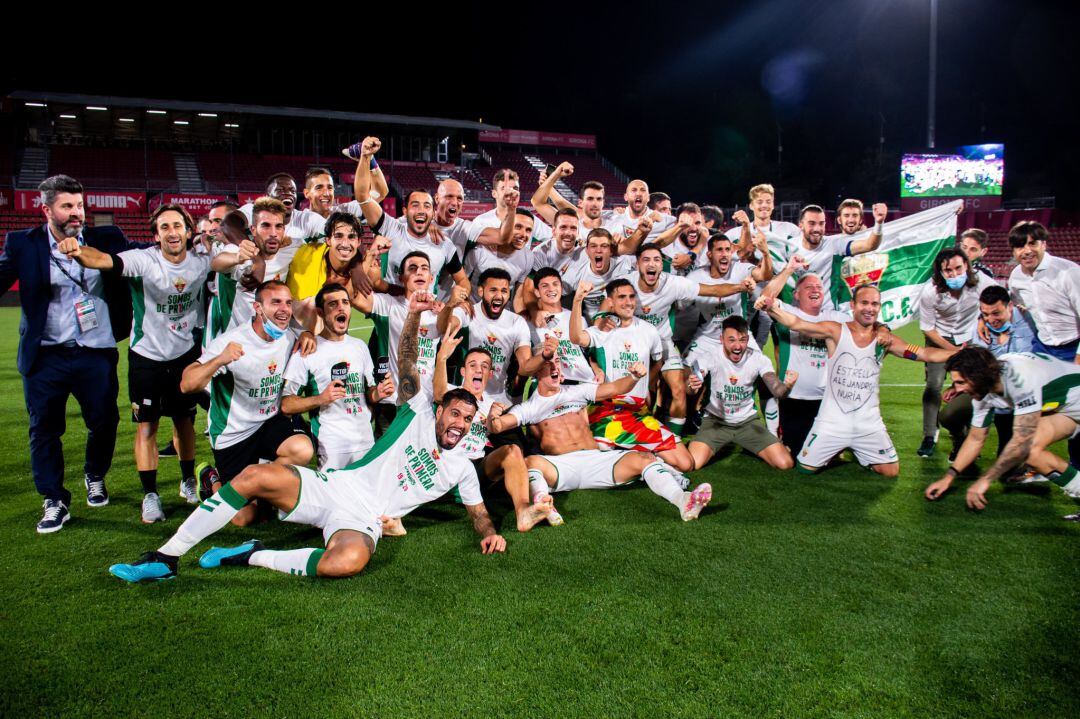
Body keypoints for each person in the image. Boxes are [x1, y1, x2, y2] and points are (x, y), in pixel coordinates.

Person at [108, 291, 505, 583]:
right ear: (439, 410)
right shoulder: (416, 413)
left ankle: (252, 556)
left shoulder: (461, 469)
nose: (460, 423)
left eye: (468, 419)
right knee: (253, 478)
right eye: (454, 413)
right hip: (337, 486)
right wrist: (415, 315)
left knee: (346, 563)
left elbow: (479, 514)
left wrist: (490, 535)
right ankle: (166, 557)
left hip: (365, 518)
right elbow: (405, 361)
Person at [0, 174, 141, 533]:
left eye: (79, 205)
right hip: (45, 354)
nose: (76, 212)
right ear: (46, 209)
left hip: (95, 350)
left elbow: (146, 251)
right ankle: (54, 499)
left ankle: (95, 474)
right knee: (43, 428)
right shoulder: (23, 243)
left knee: (104, 421)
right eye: (67, 206)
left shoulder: (105, 238)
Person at [58, 203, 212, 522]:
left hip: (186, 355)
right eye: (165, 227)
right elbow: (103, 260)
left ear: (188, 230)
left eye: (177, 226)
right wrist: (76, 250)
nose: (172, 232)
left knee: (185, 422)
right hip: (147, 357)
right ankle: (150, 495)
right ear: (155, 235)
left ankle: (187, 482)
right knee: (147, 427)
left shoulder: (202, 259)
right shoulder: (143, 260)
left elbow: (226, 260)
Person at [757, 284, 955, 476]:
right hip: (832, 421)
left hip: (868, 424)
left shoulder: (884, 340)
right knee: (805, 468)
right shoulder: (835, 330)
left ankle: (858, 451)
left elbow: (923, 353)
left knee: (890, 471)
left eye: (875, 304)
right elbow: (797, 324)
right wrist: (771, 308)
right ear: (853, 305)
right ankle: (839, 447)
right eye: (864, 303)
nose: (869, 308)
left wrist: (956, 353)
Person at [489, 360, 713, 521]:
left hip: (596, 460)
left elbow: (615, 388)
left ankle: (683, 501)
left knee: (644, 458)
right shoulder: (530, 407)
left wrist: (634, 376)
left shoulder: (578, 391)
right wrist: (493, 416)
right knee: (529, 463)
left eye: (557, 363)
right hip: (561, 467)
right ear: (538, 372)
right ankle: (543, 505)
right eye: (549, 365)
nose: (556, 368)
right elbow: (498, 426)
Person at [180, 280, 315, 524]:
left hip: (269, 421)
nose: (284, 309)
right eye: (275, 302)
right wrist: (219, 360)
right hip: (234, 432)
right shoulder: (231, 343)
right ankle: (212, 478)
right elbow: (187, 384)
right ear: (257, 308)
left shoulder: (289, 337)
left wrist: (307, 333)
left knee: (302, 449)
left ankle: (262, 480)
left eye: (287, 302)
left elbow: (304, 332)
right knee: (243, 517)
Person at [616, 243, 752, 439]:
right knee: (643, 394)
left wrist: (740, 286)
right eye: (646, 260)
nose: (651, 264)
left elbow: (713, 290)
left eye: (656, 260)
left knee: (679, 389)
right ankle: (637, 435)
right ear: (637, 264)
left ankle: (672, 441)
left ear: (662, 265)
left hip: (663, 345)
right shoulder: (625, 284)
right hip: (634, 347)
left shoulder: (673, 283)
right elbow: (607, 305)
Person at [926, 348, 1080, 517]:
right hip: (1068, 410)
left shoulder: (1020, 379)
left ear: (977, 376)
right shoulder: (983, 391)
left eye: (961, 382)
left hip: (1072, 405)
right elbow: (976, 439)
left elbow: (1021, 441)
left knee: (1025, 446)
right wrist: (948, 477)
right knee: (1031, 451)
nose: (958, 389)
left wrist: (985, 480)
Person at [569, 278, 696, 473]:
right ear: (610, 301)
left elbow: (657, 361)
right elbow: (576, 337)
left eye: (631, 296)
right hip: (606, 412)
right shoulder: (602, 330)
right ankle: (640, 460)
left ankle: (639, 460)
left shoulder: (649, 331)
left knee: (685, 463)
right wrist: (577, 300)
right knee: (588, 460)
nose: (628, 302)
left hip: (638, 413)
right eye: (621, 297)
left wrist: (647, 387)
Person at [433, 328, 554, 532]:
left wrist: (493, 422)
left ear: (490, 374)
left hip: (476, 471)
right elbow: (438, 393)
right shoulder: (451, 392)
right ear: (463, 372)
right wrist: (442, 358)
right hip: (444, 467)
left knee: (512, 450)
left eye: (484, 367)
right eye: (472, 366)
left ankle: (523, 512)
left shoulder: (493, 405)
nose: (478, 370)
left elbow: (498, 429)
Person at [281, 283, 394, 470]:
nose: (341, 307)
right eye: (333, 304)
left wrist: (377, 393)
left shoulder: (360, 346)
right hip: (331, 447)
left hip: (365, 442)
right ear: (320, 312)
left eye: (345, 302)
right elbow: (286, 405)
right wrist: (321, 398)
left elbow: (368, 394)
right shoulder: (308, 350)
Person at [352, 137, 470, 300]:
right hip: (391, 312)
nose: (421, 210)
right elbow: (363, 196)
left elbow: (463, 280)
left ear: (433, 211)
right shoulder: (391, 228)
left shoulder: (445, 245)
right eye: (415, 205)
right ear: (405, 210)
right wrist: (365, 157)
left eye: (426, 206)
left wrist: (456, 302)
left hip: (426, 319)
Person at [350, 251, 453, 435]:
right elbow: (351, 295)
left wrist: (451, 303)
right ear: (402, 278)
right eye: (412, 269)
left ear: (431, 278)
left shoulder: (438, 311)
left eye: (424, 269)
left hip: (426, 402)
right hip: (392, 403)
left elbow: (448, 327)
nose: (419, 272)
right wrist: (369, 256)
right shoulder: (388, 305)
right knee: (385, 462)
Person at [755, 258, 851, 455]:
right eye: (808, 287)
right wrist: (789, 269)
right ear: (796, 294)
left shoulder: (834, 317)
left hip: (826, 402)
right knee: (795, 452)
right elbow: (765, 298)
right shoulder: (787, 311)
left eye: (819, 286)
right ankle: (774, 434)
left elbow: (862, 325)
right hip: (793, 398)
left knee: (827, 454)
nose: (815, 289)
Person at [1005, 220, 1080, 469]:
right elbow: (1020, 308)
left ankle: (1076, 470)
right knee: (1030, 406)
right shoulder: (1016, 277)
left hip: (1073, 347)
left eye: (1032, 244)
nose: (1026, 251)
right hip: (1044, 349)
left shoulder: (1068, 272)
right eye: (1019, 246)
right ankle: (1033, 464)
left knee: (1075, 414)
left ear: (1044, 244)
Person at [685, 316, 797, 470]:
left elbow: (778, 390)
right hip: (715, 422)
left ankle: (754, 445)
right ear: (721, 339)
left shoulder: (759, 359)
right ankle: (698, 443)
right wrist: (692, 385)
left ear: (748, 339)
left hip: (747, 423)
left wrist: (788, 387)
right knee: (694, 463)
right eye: (731, 340)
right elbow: (690, 390)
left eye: (742, 340)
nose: (737, 346)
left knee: (785, 464)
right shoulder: (708, 356)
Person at [916, 248, 998, 457]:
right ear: (940, 272)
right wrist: (954, 352)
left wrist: (981, 320)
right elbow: (928, 329)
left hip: (970, 339)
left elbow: (997, 301)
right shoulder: (930, 291)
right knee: (933, 386)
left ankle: (967, 439)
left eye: (958, 268)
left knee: (971, 387)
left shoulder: (982, 281)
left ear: (967, 265)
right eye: (948, 271)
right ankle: (929, 434)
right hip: (940, 339)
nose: (954, 274)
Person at [937, 285, 1034, 460]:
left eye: (996, 313)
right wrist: (956, 385)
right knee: (949, 415)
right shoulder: (980, 326)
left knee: (1007, 464)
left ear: (1010, 306)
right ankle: (961, 440)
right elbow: (973, 361)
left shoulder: (1031, 323)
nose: (990, 319)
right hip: (986, 389)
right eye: (985, 314)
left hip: (1018, 396)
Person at [441, 268, 546, 403]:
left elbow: (525, 366)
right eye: (493, 290)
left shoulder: (517, 322)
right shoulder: (467, 311)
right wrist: (450, 304)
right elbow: (445, 328)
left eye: (504, 291)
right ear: (481, 291)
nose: (499, 296)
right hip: (465, 394)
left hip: (497, 398)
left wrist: (545, 355)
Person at [209, 197, 298, 337]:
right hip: (237, 342)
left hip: (272, 340)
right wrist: (237, 258)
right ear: (253, 229)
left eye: (278, 226)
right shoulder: (241, 251)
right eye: (266, 226)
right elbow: (216, 263)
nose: (273, 233)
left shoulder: (292, 248)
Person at [285, 212, 379, 330]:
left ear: (359, 242)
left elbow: (381, 287)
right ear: (328, 240)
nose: (345, 243)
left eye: (351, 237)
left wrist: (361, 265)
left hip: (333, 335)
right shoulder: (302, 253)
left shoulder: (367, 271)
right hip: (293, 329)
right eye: (338, 236)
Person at [528, 267, 603, 384]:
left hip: (585, 381)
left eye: (555, 284)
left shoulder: (578, 318)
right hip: (554, 382)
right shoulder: (532, 323)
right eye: (544, 286)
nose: (551, 289)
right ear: (537, 292)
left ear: (561, 288)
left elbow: (589, 353)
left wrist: (598, 370)